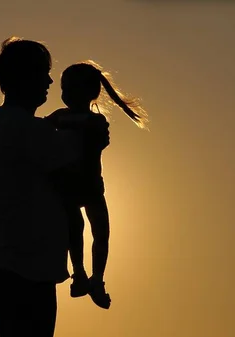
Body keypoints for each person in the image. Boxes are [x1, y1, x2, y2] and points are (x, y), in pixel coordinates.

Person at [0, 38, 109, 337]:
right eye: (43, 72)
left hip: (25, 273)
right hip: (22, 277)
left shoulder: (23, 126)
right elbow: (77, 174)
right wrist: (94, 143)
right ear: (24, 78)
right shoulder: (27, 130)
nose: (51, 81)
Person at [45, 60, 147, 309]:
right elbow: (41, 126)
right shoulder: (62, 116)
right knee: (75, 227)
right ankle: (79, 273)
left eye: (69, 89)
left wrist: (60, 123)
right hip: (69, 185)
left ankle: (97, 278)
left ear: (89, 93)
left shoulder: (95, 121)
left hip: (90, 185)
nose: (65, 95)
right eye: (63, 89)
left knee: (101, 232)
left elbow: (85, 127)